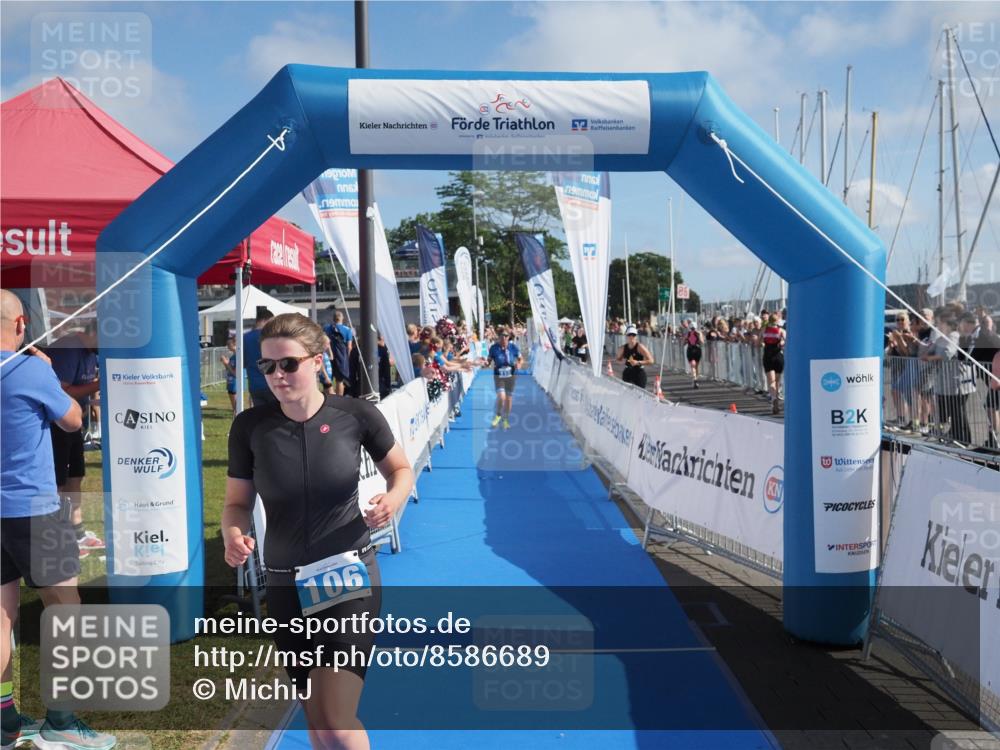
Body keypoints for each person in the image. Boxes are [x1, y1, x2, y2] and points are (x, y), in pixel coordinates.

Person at [223, 313, 413, 750]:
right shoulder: (250, 428)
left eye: (288, 363)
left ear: (317, 359)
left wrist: (393, 498)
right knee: (315, 719)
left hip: (347, 577)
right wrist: (233, 534)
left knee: (336, 718)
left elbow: (400, 469)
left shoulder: (356, 415)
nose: (277, 375)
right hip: (285, 584)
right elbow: (236, 504)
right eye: (267, 366)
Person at [1, 290, 117, 750]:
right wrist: (47, 373)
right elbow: (72, 420)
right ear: (20, 324)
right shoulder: (29, 368)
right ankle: (62, 721)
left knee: (2, 616)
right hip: (33, 507)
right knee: (66, 613)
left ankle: (5, 721)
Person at [44, 325, 105, 558]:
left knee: (75, 476)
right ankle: (59, 535)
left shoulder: (90, 352)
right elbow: (60, 392)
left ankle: (76, 531)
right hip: (53, 423)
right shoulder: (69, 349)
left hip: (72, 422)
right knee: (58, 481)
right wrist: (101, 383)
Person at [484, 327, 522, 429]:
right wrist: (485, 364)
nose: (504, 338)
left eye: (506, 336)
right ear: (499, 336)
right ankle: (498, 415)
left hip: (511, 375)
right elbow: (489, 361)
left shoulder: (513, 347)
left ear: (509, 337)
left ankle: (505, 419)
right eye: (502, 336)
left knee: (509, 399)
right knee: (501, 396)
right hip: (499, 375)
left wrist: (519, 364)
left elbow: (520, 359)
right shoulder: (493, 348)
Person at [244, 307, 276, 406]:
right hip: (271, 383)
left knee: (261, 417)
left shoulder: (244, 337)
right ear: (264, 320)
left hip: (254, 384)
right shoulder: (269, 336)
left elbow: (243, 362)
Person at [324, 311, 353, 397]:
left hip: (329, 356)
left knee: (328, 379)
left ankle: (327, 400)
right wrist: (348, 359)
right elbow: (349, 347)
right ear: (342, 318)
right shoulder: (347, 330)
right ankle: (339, 400)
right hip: (341, 357)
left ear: (333, 319)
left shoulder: (326, 328)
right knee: (339, 380)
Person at [761, 314, 786, 414]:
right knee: (777, 381)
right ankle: (776, 402)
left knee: (771, 382)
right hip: (778, 356)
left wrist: (764, 343)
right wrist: (782, 343)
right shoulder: (781, 331)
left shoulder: (764, 330)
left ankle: (774, 401)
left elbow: (759, 341)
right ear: (778, 321)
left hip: (768, 356)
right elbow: (785, 341)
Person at [616, 325, 653, 389]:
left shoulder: (640, 347)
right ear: (626, 336)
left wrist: (638, 362)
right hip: (628, 372)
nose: (631, 337)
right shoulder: (622, 348)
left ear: (636, 336)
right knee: (626, 393)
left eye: (633, 335)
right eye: (629, 335)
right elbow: (618, 359)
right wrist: (621, 361)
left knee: (640, 394)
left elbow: (651, 360)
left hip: (639, 372)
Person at [222, 337, 239, 413]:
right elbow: (229, 369)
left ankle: (236, 417)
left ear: (235, 344)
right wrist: (225, 363)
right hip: (230, 382)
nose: (227, 346)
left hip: (235, 383)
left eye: (229, 344)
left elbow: (236, 374)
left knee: (236, 407)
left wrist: (226, 363)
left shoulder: (238, 357)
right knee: (234, 407)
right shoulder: (232, 357)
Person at [684, 321, 703, 388]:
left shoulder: (688, 334)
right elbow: (702, 342)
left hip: (691, 350)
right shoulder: (698, 333)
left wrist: (687, 340)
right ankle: (695, 380)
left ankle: (695, 379)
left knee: (693, 366)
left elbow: (684, 342)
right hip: (696, 350)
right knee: (695, 366)